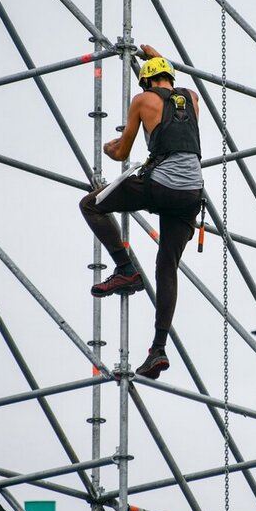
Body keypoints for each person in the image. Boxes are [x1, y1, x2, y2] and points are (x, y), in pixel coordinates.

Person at [79, 45, 204, 380]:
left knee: (91, 204)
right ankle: (158, 349)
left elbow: (123, 153)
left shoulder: (141, 101)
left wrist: (110, 147)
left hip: (160, 186)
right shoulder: (191, 98)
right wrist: (153, 56)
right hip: (191, 194)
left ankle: (125, 268)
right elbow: (164, 88)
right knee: (167, 267)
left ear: (145, 82)